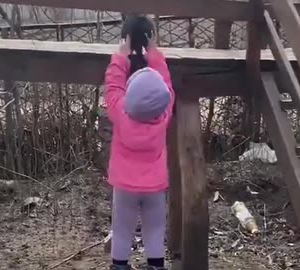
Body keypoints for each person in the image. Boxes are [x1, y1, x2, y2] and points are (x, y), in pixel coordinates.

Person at [104, 15, 175, 270]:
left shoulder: (120, 112)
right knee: (154, 229)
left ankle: (119, 266)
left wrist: (119, 58)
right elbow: (166, 88)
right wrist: (156, 57)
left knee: (122, 229)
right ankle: (156, 266)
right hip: (154, 186)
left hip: (124, 185)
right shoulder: (163, 116)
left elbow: (113, 87)